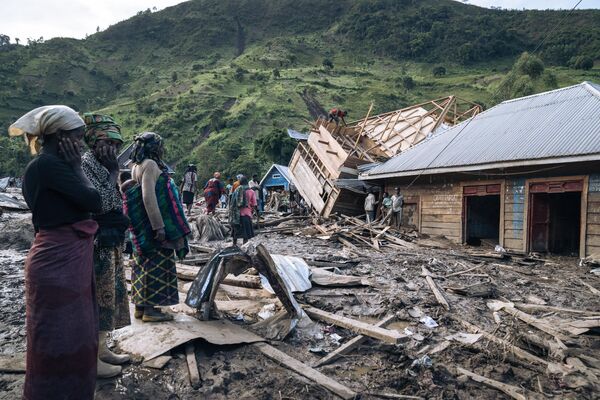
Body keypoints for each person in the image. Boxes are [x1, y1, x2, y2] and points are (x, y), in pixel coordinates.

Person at [11, 106, 102, 399]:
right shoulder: (50, 166)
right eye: (77, 137)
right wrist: (78, 167)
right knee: (60, 335)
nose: (80, 144)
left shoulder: (44, 166)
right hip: (58, 261)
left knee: (70, 331)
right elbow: (94, 200)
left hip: (60, 258)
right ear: (61, 137)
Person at [81, 113, 131, 378]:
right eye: (107, 144)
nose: (112, 150)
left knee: (111, 293)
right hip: (97, 242)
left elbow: (115, 201)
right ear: (93, 143)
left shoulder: (104, 165)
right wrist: (113, 173)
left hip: (111, 241)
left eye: (115, 145)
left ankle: (102, 347)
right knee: (98, 297)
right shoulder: (85, 164)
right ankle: (93, 357)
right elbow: (99, 201)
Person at [123, 132, 191, 322]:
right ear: (154, 148)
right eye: (159, 146)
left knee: (142, 263)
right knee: (156, 264)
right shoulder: (150, 165)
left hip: (140, 226)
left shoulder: (136, 165)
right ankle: (150, 311)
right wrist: (158, 226)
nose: (162, 149)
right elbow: (148, 196)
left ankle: (140, 306)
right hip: (152, 225)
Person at [229, 176, 257, 246]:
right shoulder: (251, 191)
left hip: (236, 215)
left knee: (235, 232)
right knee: (246, 234)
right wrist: (253, 211)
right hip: (246, 214)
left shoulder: (236, 190)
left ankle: (234, 245)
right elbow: (254, 204)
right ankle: (244, 246)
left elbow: (231, 201)